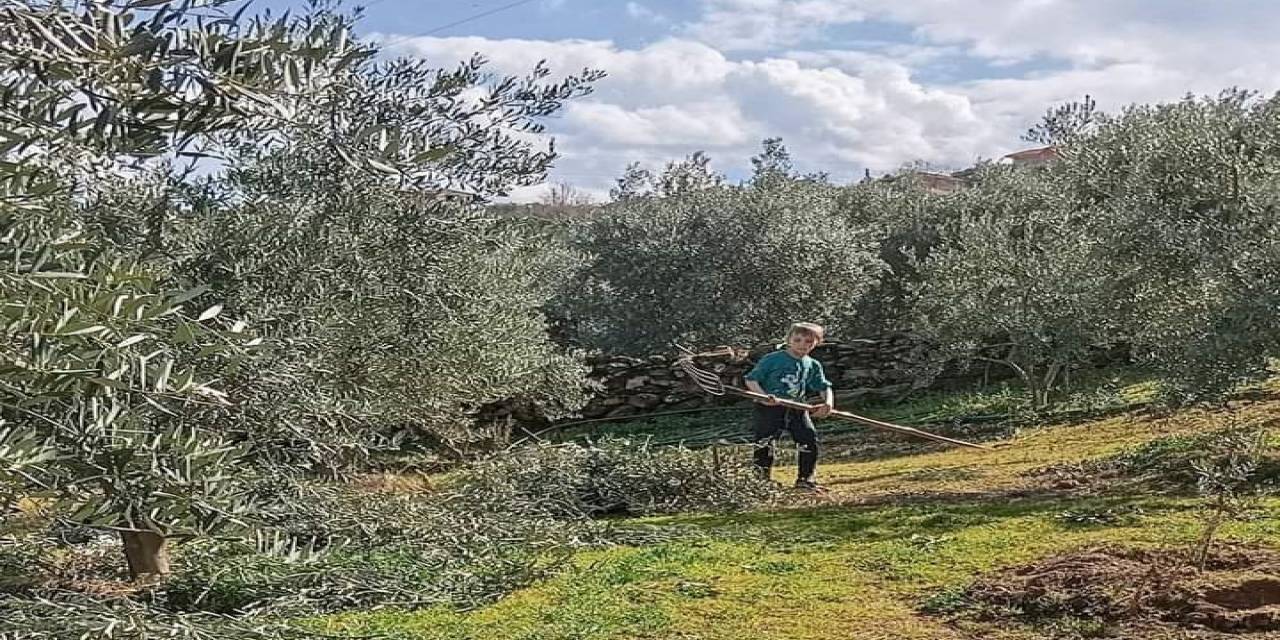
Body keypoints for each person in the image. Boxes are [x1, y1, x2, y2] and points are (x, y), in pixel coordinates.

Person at [743, 322, 834, 491]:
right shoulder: (773, 359)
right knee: (766, 442)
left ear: (817, 343)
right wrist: (763, 397)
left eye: (808, 341)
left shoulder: (812, 364)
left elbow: (823, 386)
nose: (802, 345)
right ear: (789, 340)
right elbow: (751, 379)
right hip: (769, 407)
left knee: (808, 440)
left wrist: (828, 403)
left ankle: (805, 480)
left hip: (798, 408)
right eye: (798, 340)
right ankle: (760, 481)